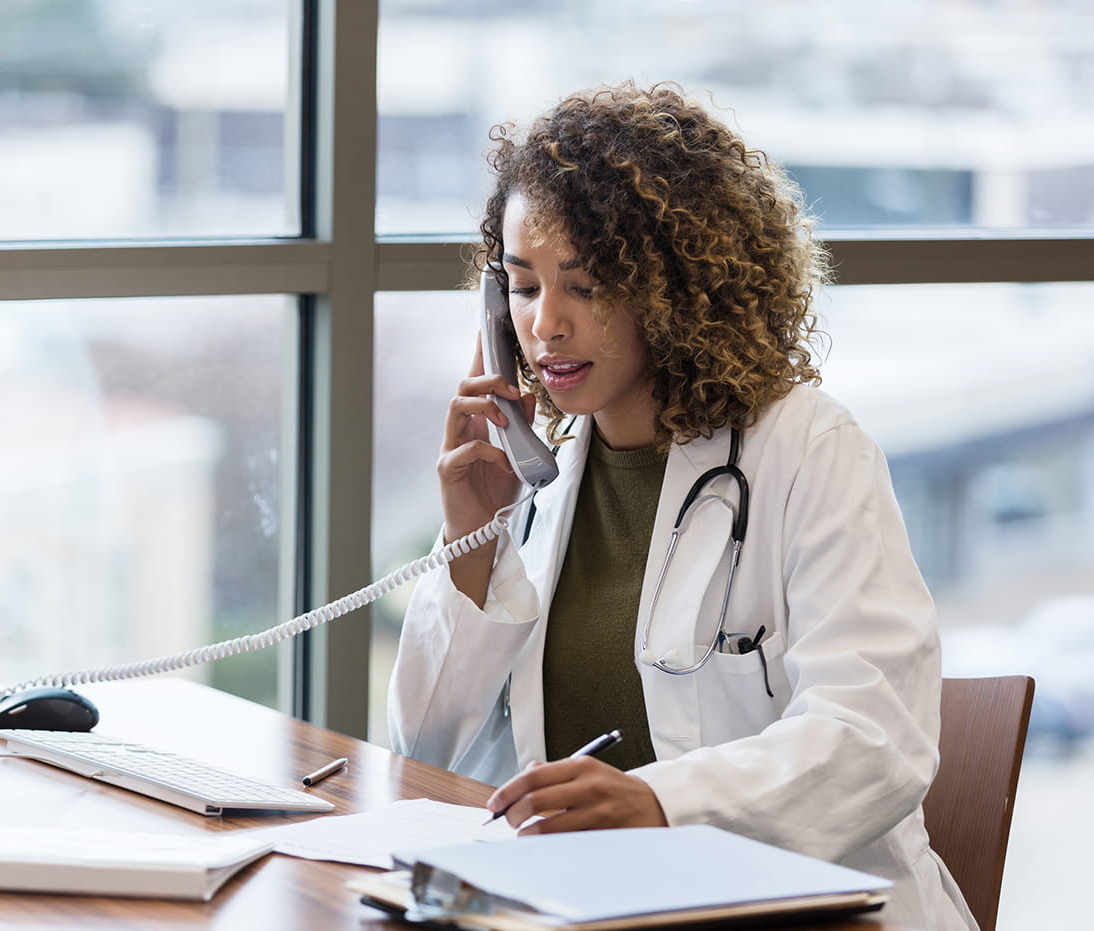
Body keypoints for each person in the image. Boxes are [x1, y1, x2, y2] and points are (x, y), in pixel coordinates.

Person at [387, 81, 976, 931]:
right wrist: (470, 542)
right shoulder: (536, 478)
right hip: (598, 909)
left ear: (675, 288)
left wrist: (659, 801)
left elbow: (873, 740)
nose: (543, 324)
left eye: (583, 286)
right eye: (520, 287)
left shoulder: (808, 450)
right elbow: (421, 756)